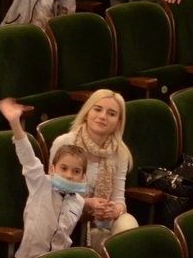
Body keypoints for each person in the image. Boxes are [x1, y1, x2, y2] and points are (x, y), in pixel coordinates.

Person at [0, 99, 86, 258]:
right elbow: (27, 156)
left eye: (76, 171)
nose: (69, 175)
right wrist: (15, 123)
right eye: (64, 168)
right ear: (52, 169)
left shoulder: (79, 202)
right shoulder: (41, 183)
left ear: (82, 176)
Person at [50, 89, 137, 248]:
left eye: (111, 114)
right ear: (86, 113)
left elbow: (119, 199)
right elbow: (51, 193)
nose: (103, 116)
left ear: (118, 123)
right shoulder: (65, 143)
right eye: (97, 109)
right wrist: (85, 203)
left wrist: (115, 210)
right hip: (67, 222)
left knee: (127, 223)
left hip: (102, 224)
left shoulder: (120, 152)